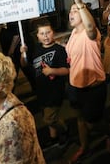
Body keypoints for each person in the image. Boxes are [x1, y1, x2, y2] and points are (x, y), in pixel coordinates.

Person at [66, 0, 110, 163]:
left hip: (93, 86)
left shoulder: (91, 34)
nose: (71, 14)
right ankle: (84, 147)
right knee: (80, 119)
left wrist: (79, 2)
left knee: (92, 122)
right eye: (70, 11)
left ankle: (109, 130)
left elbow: (90, 27)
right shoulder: (73, 33)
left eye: (75, 11)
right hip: (75, 85)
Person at [20, 18, 69, 149]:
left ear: (53, 32)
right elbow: (25, 64)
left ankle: (63, 129)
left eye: (48, 32)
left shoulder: (59, 50)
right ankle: (54, 138)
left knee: (49, 118)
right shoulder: (35, 49)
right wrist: (22, 54)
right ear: (37, 36)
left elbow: (67, 70)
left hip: (55, 90)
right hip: (41, 90)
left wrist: (52, 70)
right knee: (46, 115)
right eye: (42, 34)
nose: (45, 36)